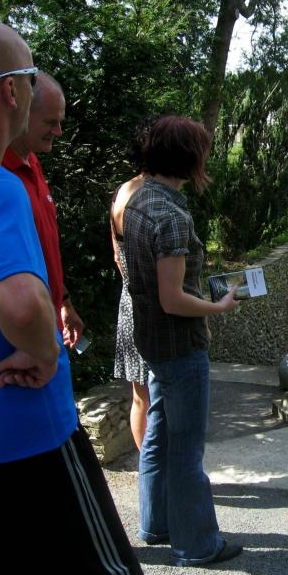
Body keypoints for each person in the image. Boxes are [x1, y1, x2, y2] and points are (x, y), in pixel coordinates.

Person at [0, 19, 143, 575]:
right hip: (30, 425)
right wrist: (42, 350)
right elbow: (20, 305)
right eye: (29, 78)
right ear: (10, 91)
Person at [123, 115, 243, 567]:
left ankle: (156, 524)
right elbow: (172, 299)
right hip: (180, 346)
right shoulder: (171, 215)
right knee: (187, 450)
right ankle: (198, 545)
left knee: (158, 433)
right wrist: (219, 307)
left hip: (151, 341)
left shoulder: (139, 200)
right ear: (189, 158)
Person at [2, 72, 85, 348]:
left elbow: (44, 247)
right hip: (21, 341)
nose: (58, 131)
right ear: (22, 111)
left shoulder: (33, 163)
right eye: (50, 122)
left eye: (60, 122)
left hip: (49, 327)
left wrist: (64, 302)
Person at [111, 121, 154, 451]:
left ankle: (147, 467)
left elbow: (117, 256)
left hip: (129, 301)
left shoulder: (122, 191)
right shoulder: (151, 196)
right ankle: (159, 467)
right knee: (161, 397)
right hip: (152, 307)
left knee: (140, 397)